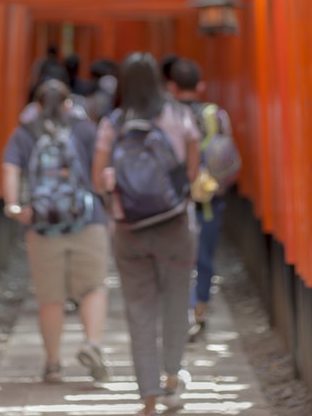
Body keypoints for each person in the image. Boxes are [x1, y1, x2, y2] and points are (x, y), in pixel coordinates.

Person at [91, 52, 200, 415]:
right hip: (174, 224)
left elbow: (97, 179)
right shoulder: (177, 115)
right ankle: (172, 379)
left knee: (139, 311)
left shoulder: (114, 122)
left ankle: (149, 396)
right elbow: (193, 170)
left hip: (129, 229)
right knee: (175, 303)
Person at [0, 68, 112, 385]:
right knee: (92, 287)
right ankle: (92, 343)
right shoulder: (85, 129)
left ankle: (53, 364)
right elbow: (100, 172)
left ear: (36, 104)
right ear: (68, 104)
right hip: (87, 220)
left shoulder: (24, 133)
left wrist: (14, 207)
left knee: (51, 298)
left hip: (42, 224)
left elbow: (10, 168)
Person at [167, 57, 238, 342]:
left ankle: (177, 312)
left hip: (172, 198)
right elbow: (226, 154)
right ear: (200, 85)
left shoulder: (166, 115)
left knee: (175, 256)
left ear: (171, 86)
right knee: (204, 256)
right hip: (207, 197)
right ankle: (200, 312)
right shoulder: (215, 115)